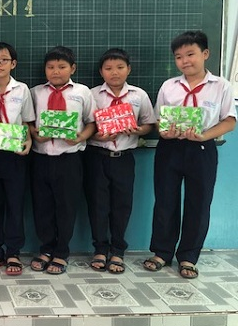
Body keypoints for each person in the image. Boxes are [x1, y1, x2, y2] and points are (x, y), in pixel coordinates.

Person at [143, 31, 236, 279]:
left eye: (190, 54)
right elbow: (159, 119)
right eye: (179, 56)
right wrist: (165, 131)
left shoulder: (221, 86)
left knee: (199, 203)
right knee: (165, 201)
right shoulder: (169, 86)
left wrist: (205, 136)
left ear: (205, 54)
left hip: (202, 150)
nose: (185, 61)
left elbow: (229, 121)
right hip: (170, 148)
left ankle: (188, 257)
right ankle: (162, 252)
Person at [84, 48, 155, 274]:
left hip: (124, 158)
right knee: (97, 205)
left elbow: (149, 124)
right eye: (108, 68)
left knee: (122, 206)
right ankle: (99, 249)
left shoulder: (138, 95)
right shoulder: (92, 95)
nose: (114, 72)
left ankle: (117, 251)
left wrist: (138, 130)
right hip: (97, 156)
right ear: (101, 72)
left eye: (120, 67)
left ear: (128, 69)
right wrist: (98, 136)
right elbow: (86, 126)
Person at [29, 46, 96, 275]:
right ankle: (46, 249)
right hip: (41, 157)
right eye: (50, 67)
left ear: (72, 68)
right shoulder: (35, 92)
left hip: (70, 158)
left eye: (61, 67)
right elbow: (28, 121)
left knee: (66, 206)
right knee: (42, 207)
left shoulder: (83, 92)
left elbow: (91, 122)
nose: (55, 71)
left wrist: (80, 137)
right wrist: (35, 134)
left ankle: (61, 252)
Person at [0, 42, 34, 276]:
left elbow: (27, 120)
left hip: (15, 155)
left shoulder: (22, 89)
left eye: (4, 60)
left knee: (15, 204)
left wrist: (29, 141)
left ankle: (13, 251)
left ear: (13, 63)